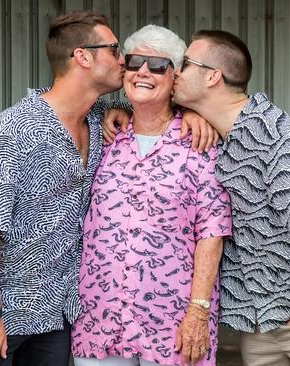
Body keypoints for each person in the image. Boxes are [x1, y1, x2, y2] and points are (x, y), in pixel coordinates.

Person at [172, 30, 290, 366]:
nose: (174, 71)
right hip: (259, 322)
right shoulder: (216, 131)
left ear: (213, 76)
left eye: (185, 64)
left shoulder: (269, 130)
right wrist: (189, 113)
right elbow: (139, 101)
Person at [0, 11, 130, 366]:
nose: (123, 60)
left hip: (55, 316)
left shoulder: (96, 119)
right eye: (114, 49)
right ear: (83, 56)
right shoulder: (17, 126)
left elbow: (155, 107)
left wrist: (126, 109)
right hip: (0, 317)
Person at [71, 25, 232, 366]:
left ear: (175, 78)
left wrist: (198, 313)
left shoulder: (199, 143)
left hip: (172, 320)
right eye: (135, 62)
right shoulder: (102, 133)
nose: (143, 71)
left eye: (158, 65)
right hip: (101, 317)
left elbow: (212, 232)